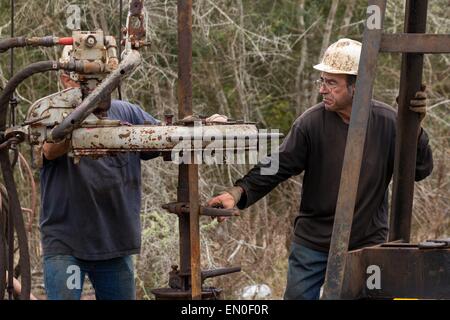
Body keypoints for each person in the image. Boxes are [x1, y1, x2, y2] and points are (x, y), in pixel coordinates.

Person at [207, 38, 433, 300]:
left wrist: (414, 128)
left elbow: (420, 170)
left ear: (357, 85)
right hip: (313, 243)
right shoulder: (311, 123)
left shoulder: (388, 122)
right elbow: (276, 166)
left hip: (366, 244)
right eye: (322, 81)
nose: (322, 90)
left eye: (332, 83)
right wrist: (237, 193)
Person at [39, 46, 160, 300]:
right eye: (82, 78)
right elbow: (49, 150)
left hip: (114, 243)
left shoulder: (127, 112)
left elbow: (166, 138)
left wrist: (204, 127)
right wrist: (78, 119)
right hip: (66, 243)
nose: (92, 86)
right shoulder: (51, 113)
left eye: (100, 78)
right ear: (65, 78)